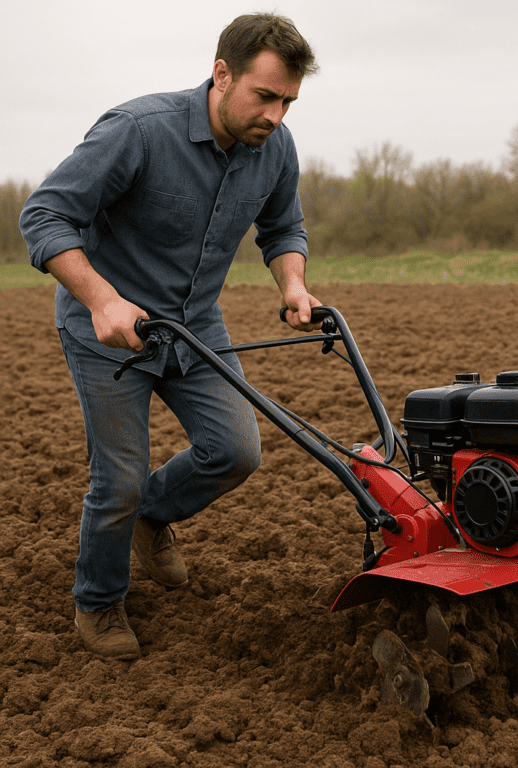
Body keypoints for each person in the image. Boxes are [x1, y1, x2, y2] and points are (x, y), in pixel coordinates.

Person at [19, 13, 323, 660]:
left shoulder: (275, 147)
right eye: (264, 96)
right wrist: (102, 300)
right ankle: (99, 601)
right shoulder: (138, 131)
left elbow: (283, 225)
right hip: (108, 330)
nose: (274, 115)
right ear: (221, 75)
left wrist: (292, 286)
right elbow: (44, 214)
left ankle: (153, 518)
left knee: (235, 451)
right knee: (118, 481)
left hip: (194, 327)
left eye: (288, 101)